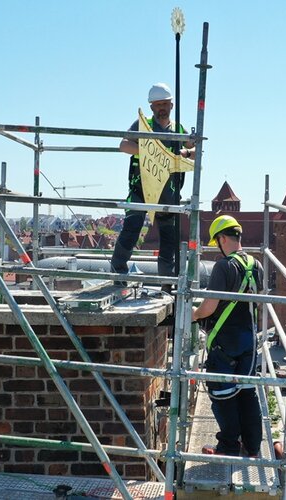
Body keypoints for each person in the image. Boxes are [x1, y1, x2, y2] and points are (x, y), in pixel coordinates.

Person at [192, 215, 264, 457]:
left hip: (226, 342)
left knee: (222, 395)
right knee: (247, 392)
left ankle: (229, 447)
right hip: (249, 341)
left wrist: (192, 315)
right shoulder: (257, 265)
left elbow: (209, 307)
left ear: (222, 239)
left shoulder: (223, 266)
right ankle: (252, 447)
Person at [112, 83, 196, 279]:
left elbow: (194, 153)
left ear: (171, 106)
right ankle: (118, 272)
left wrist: (184, 151)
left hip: (168, 192)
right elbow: (124, 145)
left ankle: (167, 282)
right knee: (132, 227)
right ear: (151, 107)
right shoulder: (143, 125)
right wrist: (152, 152)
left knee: (168, 238)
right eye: (157, 105)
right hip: (140, 189)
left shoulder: (178, 129)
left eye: (165, 104)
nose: (161, 108)